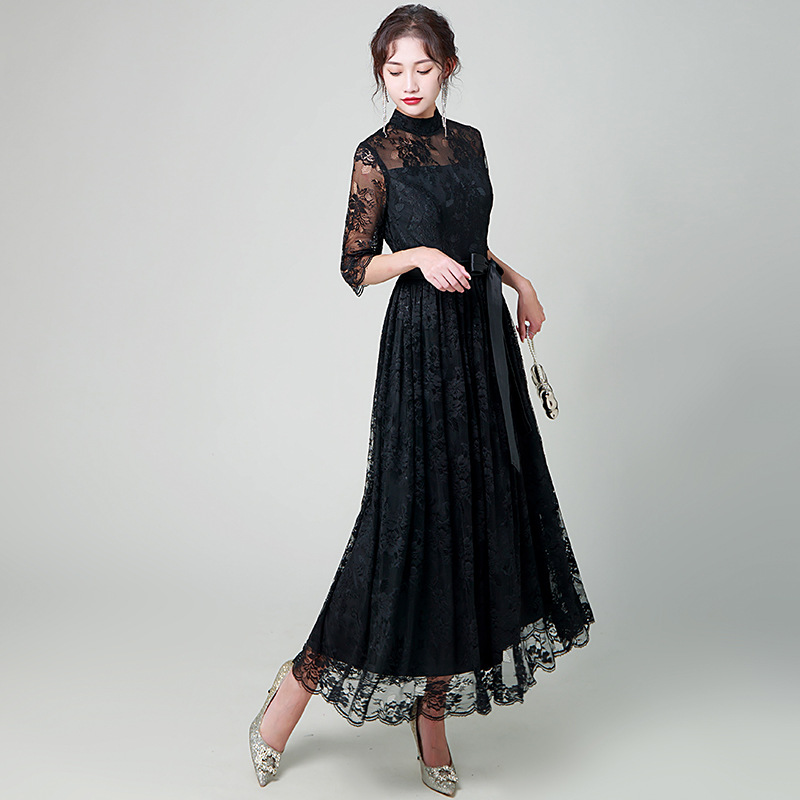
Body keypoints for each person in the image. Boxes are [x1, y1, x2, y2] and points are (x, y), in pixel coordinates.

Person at [249, 4, 595, 795]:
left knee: (472, 522)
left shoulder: (469, 142)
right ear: (381, 74)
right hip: (422, 350)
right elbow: (354, 265)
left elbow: (471, 239)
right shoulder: (374, 156)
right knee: (403, 527)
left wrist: (519, 280)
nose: (408, 82)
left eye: (423, 67)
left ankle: (431, 717)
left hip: (482, 344)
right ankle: (294, 689)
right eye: (394, 69)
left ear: (448, 68)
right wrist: (415, 256)